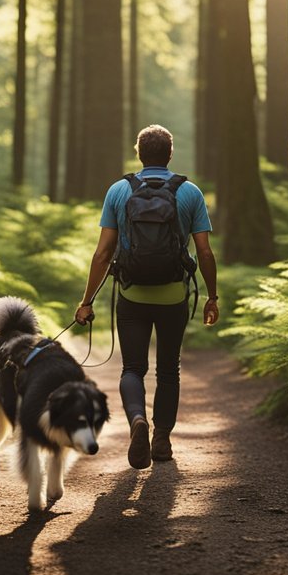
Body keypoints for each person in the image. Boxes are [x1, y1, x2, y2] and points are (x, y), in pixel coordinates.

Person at [74, 124, 219, 469]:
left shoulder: (119, 191)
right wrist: (212, 296)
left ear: (139, 153)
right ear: (170, 154)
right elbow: (205, 253)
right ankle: (162, 439)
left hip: (132, 294)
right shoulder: (190, 193)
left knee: (133, 368)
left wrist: (87, 301)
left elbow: (103, 254)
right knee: (169, 370)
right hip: (173, 297)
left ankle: (137, 419)